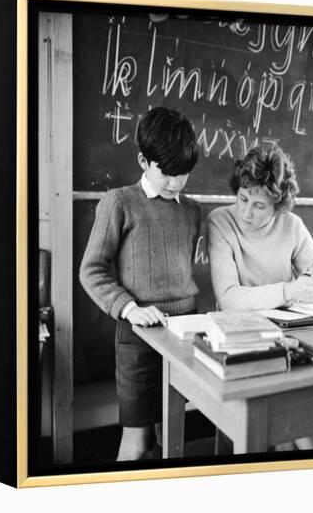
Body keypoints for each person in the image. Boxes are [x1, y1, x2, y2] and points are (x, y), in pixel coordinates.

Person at [79, 107, 201, 461]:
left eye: (185, 174)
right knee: (138, 441)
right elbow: (92, 270)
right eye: (167, 173)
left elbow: (180, 268)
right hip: (139, 336)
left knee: (173, 436)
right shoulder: (119, 202)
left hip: (184, 332)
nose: (176, 183)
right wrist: (130, 309)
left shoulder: (193, 211)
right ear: (143, 160)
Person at [207, 144, 313, 450]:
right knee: (292, 417)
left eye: (259, 206)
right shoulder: (220, 221)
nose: (246, 212)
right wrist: (290, 290)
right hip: (240, 342)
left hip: (288, 337)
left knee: (301, 412)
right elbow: (228, 298)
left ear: (278, 206)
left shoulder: (292, 225)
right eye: (242, 198)